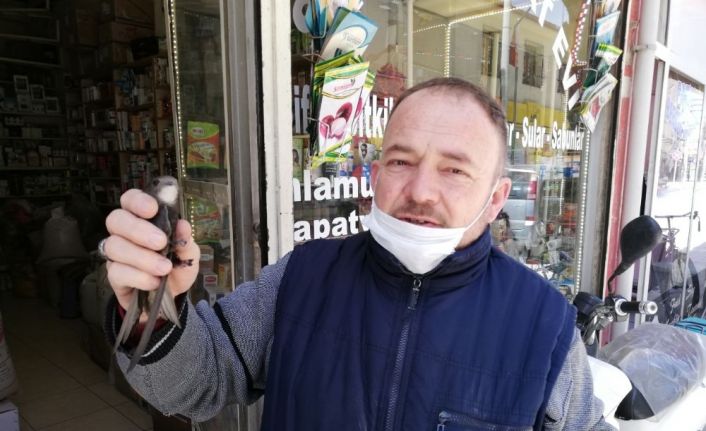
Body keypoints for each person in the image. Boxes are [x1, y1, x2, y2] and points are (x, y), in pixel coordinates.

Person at [102, 77, 612, 430]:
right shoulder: (303, 278)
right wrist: (152, 314)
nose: (421, 191)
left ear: (496, 198)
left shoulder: (542, 325)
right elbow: (197, 383)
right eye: (401, 161)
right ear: (375, 175)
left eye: (455, 170)